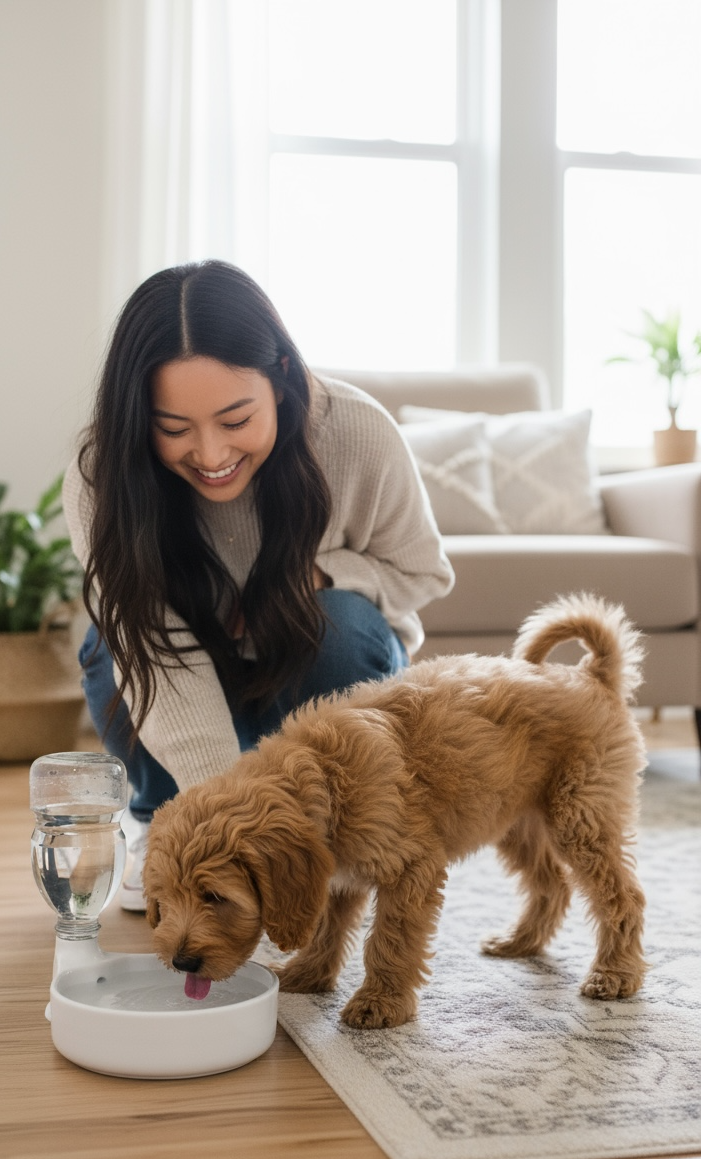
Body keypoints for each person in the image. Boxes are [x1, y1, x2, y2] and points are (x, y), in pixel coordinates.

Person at [63, 259, 454, 909]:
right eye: (174, 429)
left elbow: (423, 573)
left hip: (314, 671)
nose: (211, 455)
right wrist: (224, 827)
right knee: (113, 639)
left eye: (236, 419)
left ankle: (326, 831)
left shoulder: (358, 431)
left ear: (282, 381)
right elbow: (153, 645)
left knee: (340, 624)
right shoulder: (103, 469)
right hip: (188, 683)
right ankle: (164, 815)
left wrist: (323, 574)